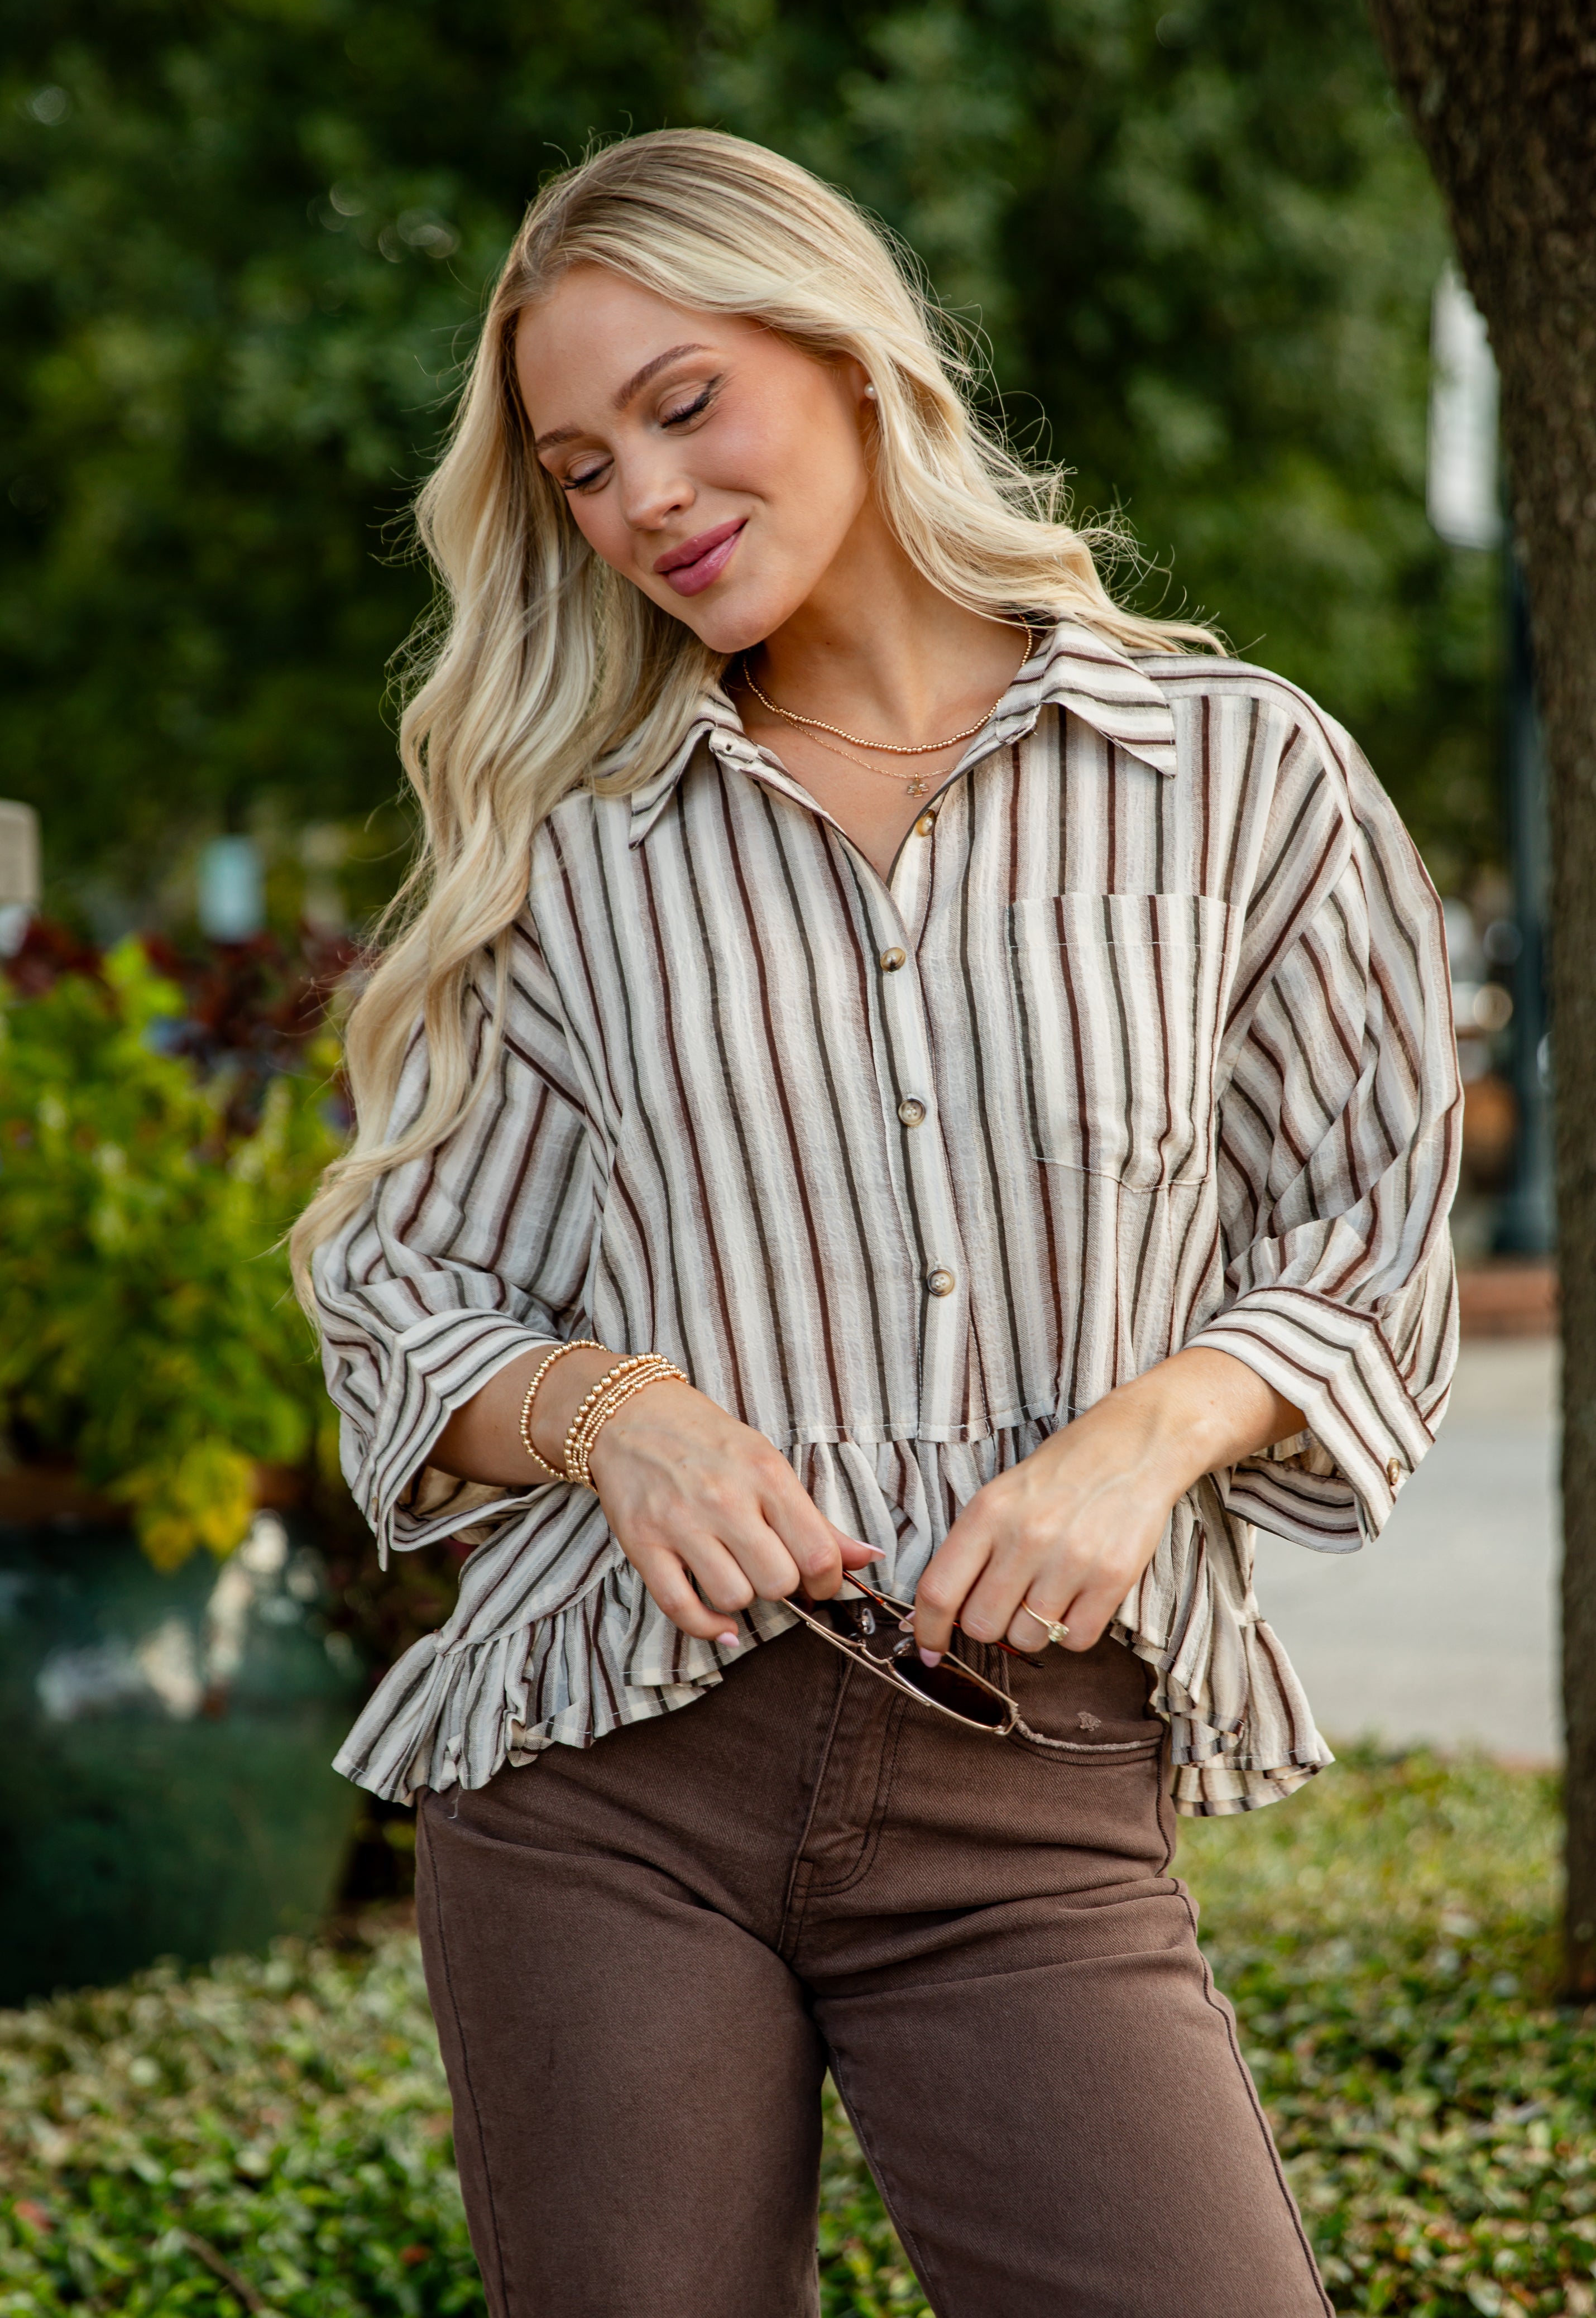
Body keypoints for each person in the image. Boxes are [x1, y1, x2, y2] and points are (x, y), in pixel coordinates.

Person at [294, 128, 1459, 2318]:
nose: (642, 497)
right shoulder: (579, 841)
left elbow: (1369, 1230)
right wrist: (619, 1417)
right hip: (608, 1774)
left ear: (847, 359)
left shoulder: (1231, 773)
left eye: (683, 405)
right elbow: (407, 1288)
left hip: (1033, 1779)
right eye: (578, 467)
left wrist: (1141, 1441)